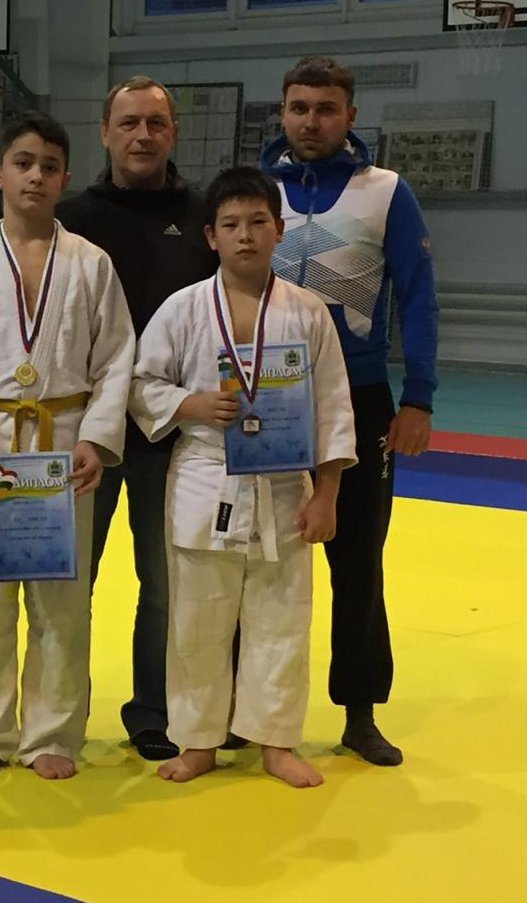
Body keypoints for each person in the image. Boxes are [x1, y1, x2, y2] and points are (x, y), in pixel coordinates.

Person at [129, 165, 356, 787]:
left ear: (279, 229)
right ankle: (197, 740)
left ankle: (276, 741)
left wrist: (328, 494)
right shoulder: (182, 309)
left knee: (281, 619)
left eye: (258, 222)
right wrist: (191, 404)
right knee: (197, 620)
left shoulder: (308, 312)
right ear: (211, 236)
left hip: (284, 484)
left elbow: (333, 406)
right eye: (231, 224)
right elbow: (143, 383)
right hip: (205, 477)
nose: (246, 235)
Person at [0, 112, 135, 780]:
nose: (36, 176)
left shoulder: (91, 263)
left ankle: (52, 733)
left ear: (65, 178)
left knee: (61, 604)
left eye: (49, 166)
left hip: (63, 448)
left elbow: (116, 360)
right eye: (23, 163)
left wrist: (97, 440)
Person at [261, 55, 439, 766]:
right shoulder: (254, 192)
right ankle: (246, 709)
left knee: (358, 559)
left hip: (362, 396)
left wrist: (419, 396)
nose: (311, 121)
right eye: (299, 107)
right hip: (265, 395)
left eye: (326, 108)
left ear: (350, 116)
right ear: (282, 112)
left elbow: (418, 296)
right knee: (251, 557)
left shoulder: (385, 191)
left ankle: (359, 712)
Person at [56, 75, 219, 762]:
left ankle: (155, 711)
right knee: (68, 583)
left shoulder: (204, 215)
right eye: (128, 123)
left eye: (155, 123)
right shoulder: (70, 217)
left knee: (165, 583)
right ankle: (57, 717)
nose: (142, 135)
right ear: (105, 132)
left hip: (171, 431)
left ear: (173, 132)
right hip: (84, 430)